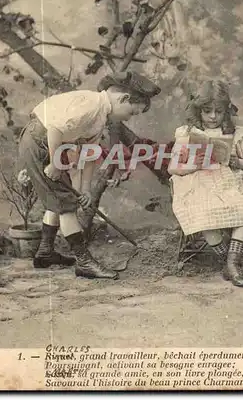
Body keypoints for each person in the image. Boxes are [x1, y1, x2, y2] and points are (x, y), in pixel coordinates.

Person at [18, 71, 160, 279]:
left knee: (58, 199)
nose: (130, 118)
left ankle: (45, 252)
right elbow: (55, 130)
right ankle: (84, 263)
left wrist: (85, 190)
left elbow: (89, 154)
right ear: (124, 99)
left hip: (46, 144)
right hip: (41, 142)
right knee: (65, 204)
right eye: (132, 112)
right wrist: (56, 163)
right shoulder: (91, 105)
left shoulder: (100, 116)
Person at [168, 80, 243, 288]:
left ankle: (230, 263)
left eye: (219, 112)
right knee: (202, 211)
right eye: (207, 111)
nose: (213, 116)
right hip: (200, 184)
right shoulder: (186, 134)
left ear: (226, 112)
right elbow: (173, 167)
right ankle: (233, 265)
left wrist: (236, 161)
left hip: (229, 184)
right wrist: (193, 165)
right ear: (198, 111)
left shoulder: (237, 133)